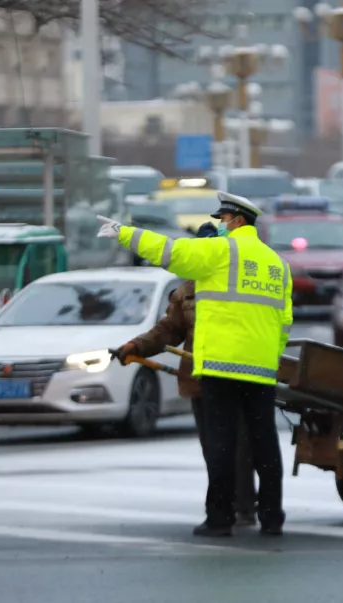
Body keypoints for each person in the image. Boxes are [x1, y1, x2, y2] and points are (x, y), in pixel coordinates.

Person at [96, 191, 292, 537]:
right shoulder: (276, 263)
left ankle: (220, 519)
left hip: (221, 367)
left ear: (239, 220)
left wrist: (124, 232)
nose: (222, 225)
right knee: (264, 443)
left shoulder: (221, 252)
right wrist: (269, 357)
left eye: (225, 220)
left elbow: (171, 251)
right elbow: (284, 321)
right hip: (261, 368)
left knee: (221, 444)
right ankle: (272, 518)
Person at [114, 222, 258, 527]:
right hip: (200, 383)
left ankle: (244, 507)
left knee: (239, 448)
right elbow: (168, 331)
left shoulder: (238, 285)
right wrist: (135, 345)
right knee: (214, 450)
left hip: (236, 378)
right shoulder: (186, 292)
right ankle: (224, 508)